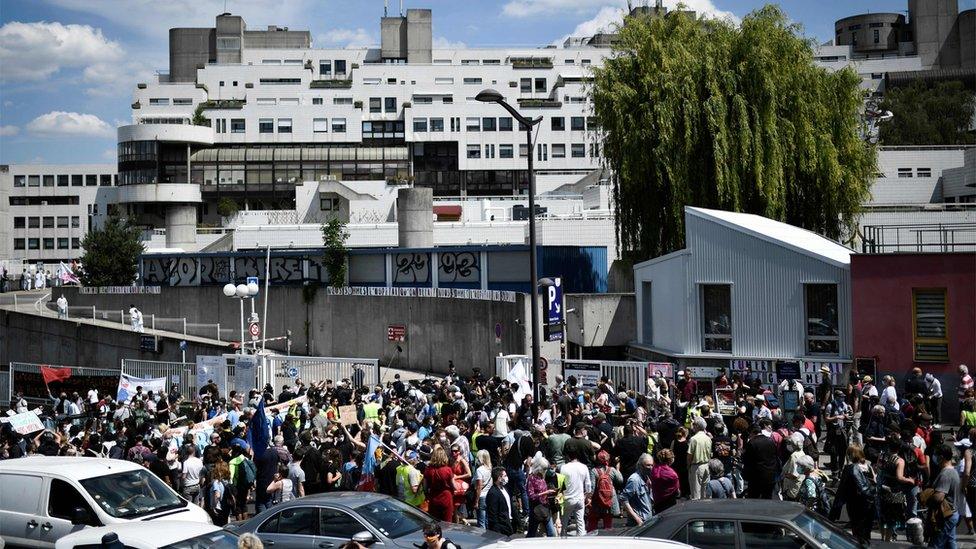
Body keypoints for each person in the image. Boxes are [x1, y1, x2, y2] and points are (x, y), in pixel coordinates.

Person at [830, 445, 876, 545]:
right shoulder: (868, 467)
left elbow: (842, 489)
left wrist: (835, 508)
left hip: (855, 504)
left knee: (857, 531)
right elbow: (874, 483)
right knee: (866, 532)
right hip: (869, 503)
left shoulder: (850, 469)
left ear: (850, 455)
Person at [927, 444, 962, 549]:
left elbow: (939, 497)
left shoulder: (946, 474)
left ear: (941, 457)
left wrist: (928, 496)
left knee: (936, 544)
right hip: (952, 513)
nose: (934, 457)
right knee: (950, 543)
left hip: (945, 516)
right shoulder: (953, 470)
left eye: (936, 455)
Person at [587, 449, 622, 532]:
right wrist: (617, 469)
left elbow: (592, 487)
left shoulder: (594, 471)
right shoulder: (612, 470)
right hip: (610, 498)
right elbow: (620, 480)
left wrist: (589, 498)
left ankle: (591, 536)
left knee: (593, 520)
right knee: (608, 520)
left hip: (598, 499)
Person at [560, 448, 591, 536]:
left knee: (564, 523)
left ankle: (563, 539)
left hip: (568, 498)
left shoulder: (564, 467)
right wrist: (587, 496)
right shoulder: (584, 467)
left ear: (568, 457)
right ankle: (581, 542)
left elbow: (561, 484)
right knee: (580, 522)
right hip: (580, 498)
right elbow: (588, 484)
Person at [526, 456, 556, 537]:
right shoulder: (531, 478)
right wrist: (545, 492)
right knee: (531, 534)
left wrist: (551, 493)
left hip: (545, 508)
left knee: (552, 533)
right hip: (536, 510)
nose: (545, 471)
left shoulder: (542, 477)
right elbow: (531, 496)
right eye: (544, 469)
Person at [424, 447, 455, 523]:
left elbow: (425, 487)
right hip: (446, 497)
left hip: (433, 497)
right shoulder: (448, 469)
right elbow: (453, 486)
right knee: (447, 523)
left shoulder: (428, 470)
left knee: (435, 523)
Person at [485, 466, 514, 536]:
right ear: (499, 478)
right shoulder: (493, 493)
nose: (507, 477)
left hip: (508, 524)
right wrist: (497, 531)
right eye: (505, 476)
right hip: (501, 528)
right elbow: (493, 514)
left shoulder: (505, 489)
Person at [687, 417, 711, 500]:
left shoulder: (693, 439)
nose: (692, 426)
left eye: (693, 424)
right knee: (705, 493)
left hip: (696, 467)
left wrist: (688, 466)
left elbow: (689, 455)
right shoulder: (708, 438)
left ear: (697, 426)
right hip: (706, 465)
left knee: (696, 493)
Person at [650, 448, 679, 514]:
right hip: (669, 502)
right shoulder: (672, 473)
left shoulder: (654, 469)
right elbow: (677, 490)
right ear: (670, 459)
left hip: (657, 500)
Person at [473, 449, 493, 529]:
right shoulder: (490, 469)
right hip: (489, 495)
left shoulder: (479, 470)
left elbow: (479, 487)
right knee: (487, 520)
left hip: (481, 497)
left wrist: (476, 501)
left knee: (481, 522)